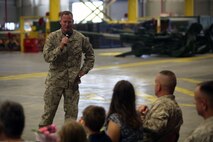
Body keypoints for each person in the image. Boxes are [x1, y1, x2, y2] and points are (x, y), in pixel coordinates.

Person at [39, 10, 95, 127]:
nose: (67, 24)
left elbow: (90, 56)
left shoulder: (80, 38)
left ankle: (70, 137)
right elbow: (47, 57)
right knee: (48, 114)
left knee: (71, 117)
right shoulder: (52, 37)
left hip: (72, 84)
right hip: (55, 82)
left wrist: (82, 71)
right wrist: (61, 46)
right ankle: (43, 138)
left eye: (69, 22)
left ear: (73, 22)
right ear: (60, 22)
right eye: (64, 22)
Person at [138, 70, 183, 142]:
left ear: (158, 87)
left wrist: (137, 117)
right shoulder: (175, 106)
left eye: (155, 83)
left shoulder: (163, 105)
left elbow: (153, 128)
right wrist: (146, 116)